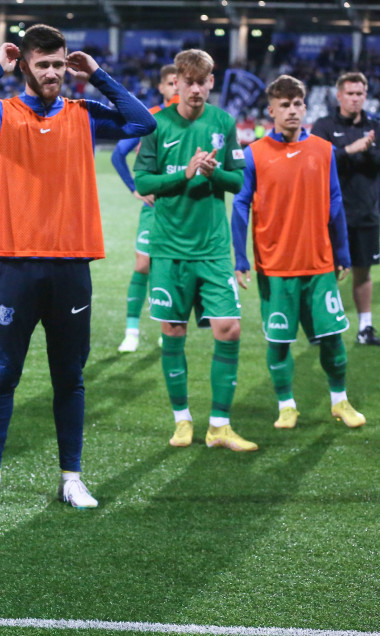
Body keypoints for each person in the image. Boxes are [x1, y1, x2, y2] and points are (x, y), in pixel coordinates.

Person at [0, 25, 155, 509]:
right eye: (42, 64)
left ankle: (71, 477)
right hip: (13, 263)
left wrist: (99, 75)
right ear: (25, 66)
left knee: (69, 377)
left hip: (70, 265)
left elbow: (142, 122)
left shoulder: (83, 114)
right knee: (2, 373)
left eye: (59, 64)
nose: (52, 73)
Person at [134, 49, 256, 451]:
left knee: (229, 328)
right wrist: (184, 175)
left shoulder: (223, 122)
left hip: (213, 249)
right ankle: (182, 419)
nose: (197, 89)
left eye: (204, 82)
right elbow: (144, 184)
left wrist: (211, 172)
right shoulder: (156, 124)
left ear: (210, 83)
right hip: (169, 249)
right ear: (177, 84)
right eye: (190, 82)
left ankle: (219, 425)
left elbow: (238, 183)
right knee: (173, 330)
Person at [232, 76, 365, 429]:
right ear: (271, 110)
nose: (292, 110)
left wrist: (342, 252)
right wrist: (241, 258)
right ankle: (286, 404)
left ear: (305, 107)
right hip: (275, 267)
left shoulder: (323, 150)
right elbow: (241, 204)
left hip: (319, 263)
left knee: (332, 336)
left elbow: (335, 201)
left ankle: (340, 401)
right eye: (284, 105)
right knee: (279, 341)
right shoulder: (254, 154)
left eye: (297, 104)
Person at [112, 64, 179, 353]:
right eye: (172, 82)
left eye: (182, 82)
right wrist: (135, 189)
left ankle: (169, 326)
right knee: (142, 264)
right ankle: (131, 331)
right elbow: (118, 154)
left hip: (180, 208)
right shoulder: (150, 117)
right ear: (162, 87)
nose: (177, 87)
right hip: (153, 209)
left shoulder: (192, 119)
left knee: (173, 268)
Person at [311, 72, 380, 345]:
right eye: (350, 93)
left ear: (365, 95)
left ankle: (365, 328)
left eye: (360, 93)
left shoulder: (375, 126)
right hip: (330, 213)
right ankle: (325, 326)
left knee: (363, 271)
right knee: (326, 271)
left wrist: (368, 149)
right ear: (339, 95)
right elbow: (315, 161)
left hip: (366, 213)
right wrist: (349, 150)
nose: (355, 99)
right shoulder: (324, 126)